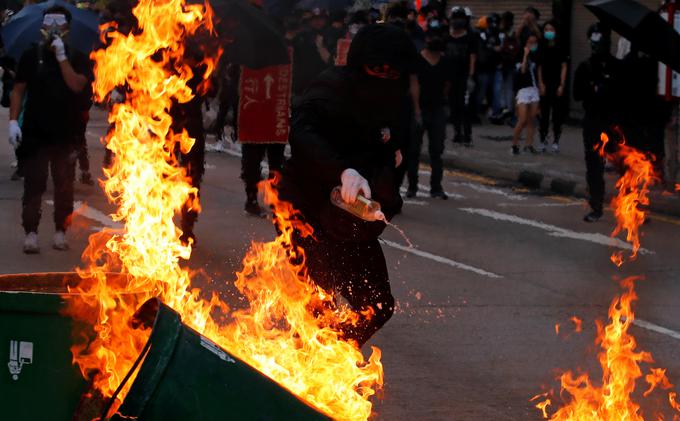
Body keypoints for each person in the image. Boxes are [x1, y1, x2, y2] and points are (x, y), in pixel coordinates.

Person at [277, 24, 414, 347]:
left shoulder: (396, 99)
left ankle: (332, 360)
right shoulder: (332, 87)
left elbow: (397, 142)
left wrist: (390, 155)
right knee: (318, 301)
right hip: (305, 209)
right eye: (377, 68)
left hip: (351, 219)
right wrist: (342, 171)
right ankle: (301, 368)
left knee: (377, 304)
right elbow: (302, 132)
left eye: (391, 71)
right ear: (359, 64)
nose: (384, 76)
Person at [8, 6, 93, 253]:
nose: (54, 29)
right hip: (35, 132)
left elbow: (77, 85)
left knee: (64, 185)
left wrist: (62, 58)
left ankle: (59, 231)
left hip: (66, 134)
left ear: (67, 28)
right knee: (34, 185)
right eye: (49, 24)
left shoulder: (77, 56)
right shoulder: (30, 55)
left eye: (59, 25)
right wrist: (13, 121)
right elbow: (18, 89)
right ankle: (31, 233)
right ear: (42, 27)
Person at [573, 23, 621, 222]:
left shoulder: (618, 67)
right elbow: (577, 94)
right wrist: (592, 89)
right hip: (593, 123)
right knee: (594, 166)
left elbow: (624, 94)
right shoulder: (585, 67)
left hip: (615, 123)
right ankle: (596, 206)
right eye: (594, 41)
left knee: (625, 164)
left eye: (600, 41)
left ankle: (632, 203)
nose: (597, 46)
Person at [406, 26, 450, 200]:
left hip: (438, 109)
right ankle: (412, 187)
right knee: (414, 150)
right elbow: (414, 84)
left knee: (437, 150)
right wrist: (417, 110)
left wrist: (443, 104)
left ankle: (436, 187)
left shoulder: (445, 61)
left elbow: (447, 84)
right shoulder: (417, 60)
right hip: (420, 109)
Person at [446, 6, 478, 146]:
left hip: (464, 77)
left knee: (465, 107)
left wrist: (470, 76)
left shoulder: (470, 37)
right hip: (450, 78)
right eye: (455, 18)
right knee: (454, 107)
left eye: (460, 18)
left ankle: (467, 135)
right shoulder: (446, 37)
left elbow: (472, 57)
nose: (457, 21)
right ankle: (457, 133)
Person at [537, 20, 568, 153]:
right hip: (545, 83)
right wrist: (540, 83)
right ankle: (543, 140)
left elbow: (564, 66)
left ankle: (556, 141)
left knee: (557, 115)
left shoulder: (561, 46)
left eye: (551, 29)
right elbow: (539, 66)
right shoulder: (541, 46)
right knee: (544, 114)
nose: (548, 32)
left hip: (556, 83)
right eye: (546, 29)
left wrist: (562, 84)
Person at [511, 33, 540, 155]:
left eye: (534, 42)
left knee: (531, 119)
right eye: (529, 42)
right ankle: (515, 144)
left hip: (534, 89)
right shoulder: (519, 56)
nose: (532, 45)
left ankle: (529, 144)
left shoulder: (537, 57)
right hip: (523, 90)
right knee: (522, 119)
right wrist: (525, 55)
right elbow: (522, 70)